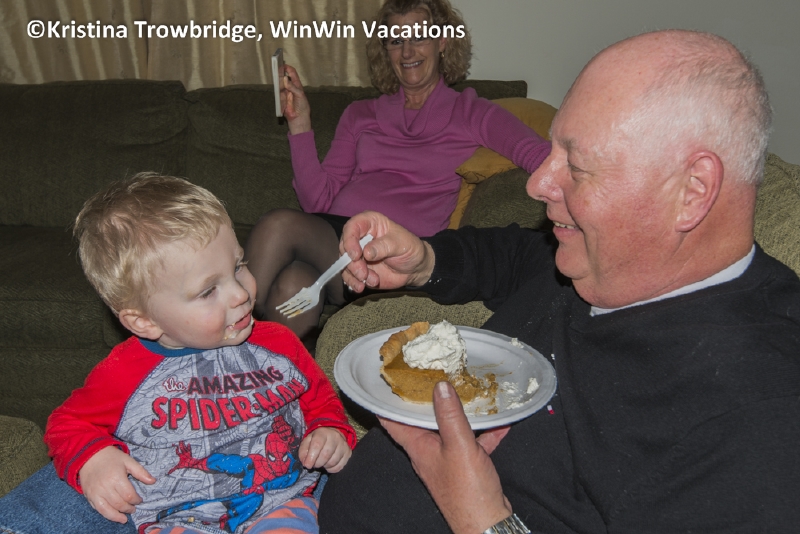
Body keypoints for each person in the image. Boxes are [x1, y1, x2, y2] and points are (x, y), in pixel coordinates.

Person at [318, 30, 800, 533]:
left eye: (579, 166)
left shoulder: (761, 415)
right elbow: (512, 255)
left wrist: (484, 520)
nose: (537, 183)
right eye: (553, 152)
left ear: (692, 192)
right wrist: (424, 260)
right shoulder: (594, 259)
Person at [0, 173, 356, 534]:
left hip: (281, 501)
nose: (241, 293)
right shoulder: (124, 372)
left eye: (238, 267)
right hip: (180, 517)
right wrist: (93, 458)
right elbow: (67, 423)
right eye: (208, 291)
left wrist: (329, 430)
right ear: (144, 321)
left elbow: (320, 401)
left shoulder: (280, 344)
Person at [244, 0, 551, 341]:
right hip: (335, 242)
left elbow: (539, 155)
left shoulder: (472, 112)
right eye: (395, 40)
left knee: (279, 224)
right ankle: (262, 368)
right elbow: (317, 202)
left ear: (442, 41)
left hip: (393, 255)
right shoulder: (359, 113)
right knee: (294, 282)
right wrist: (300, 124)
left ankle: (231, 322)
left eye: (419, 36)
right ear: (385, 50)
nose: (407, 51)